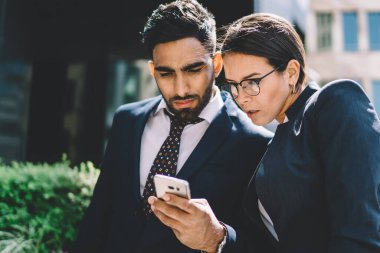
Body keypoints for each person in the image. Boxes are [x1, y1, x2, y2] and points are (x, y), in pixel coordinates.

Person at [149, 13, 380, 253]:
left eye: (251, 82)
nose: (242, 97)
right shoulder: (272, 141)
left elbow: (360, 235)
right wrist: (217, 237)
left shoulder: (335, 101)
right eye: (234, 85)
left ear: (291, 72)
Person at [71, 2, 273, 253]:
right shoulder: (128, 120)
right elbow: (99, 214)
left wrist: (217, 238)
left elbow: (267, 245)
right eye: (166, 74)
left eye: (193, 70)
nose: (180, 89)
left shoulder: (255, 145)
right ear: (152, 70)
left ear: (217, 64)